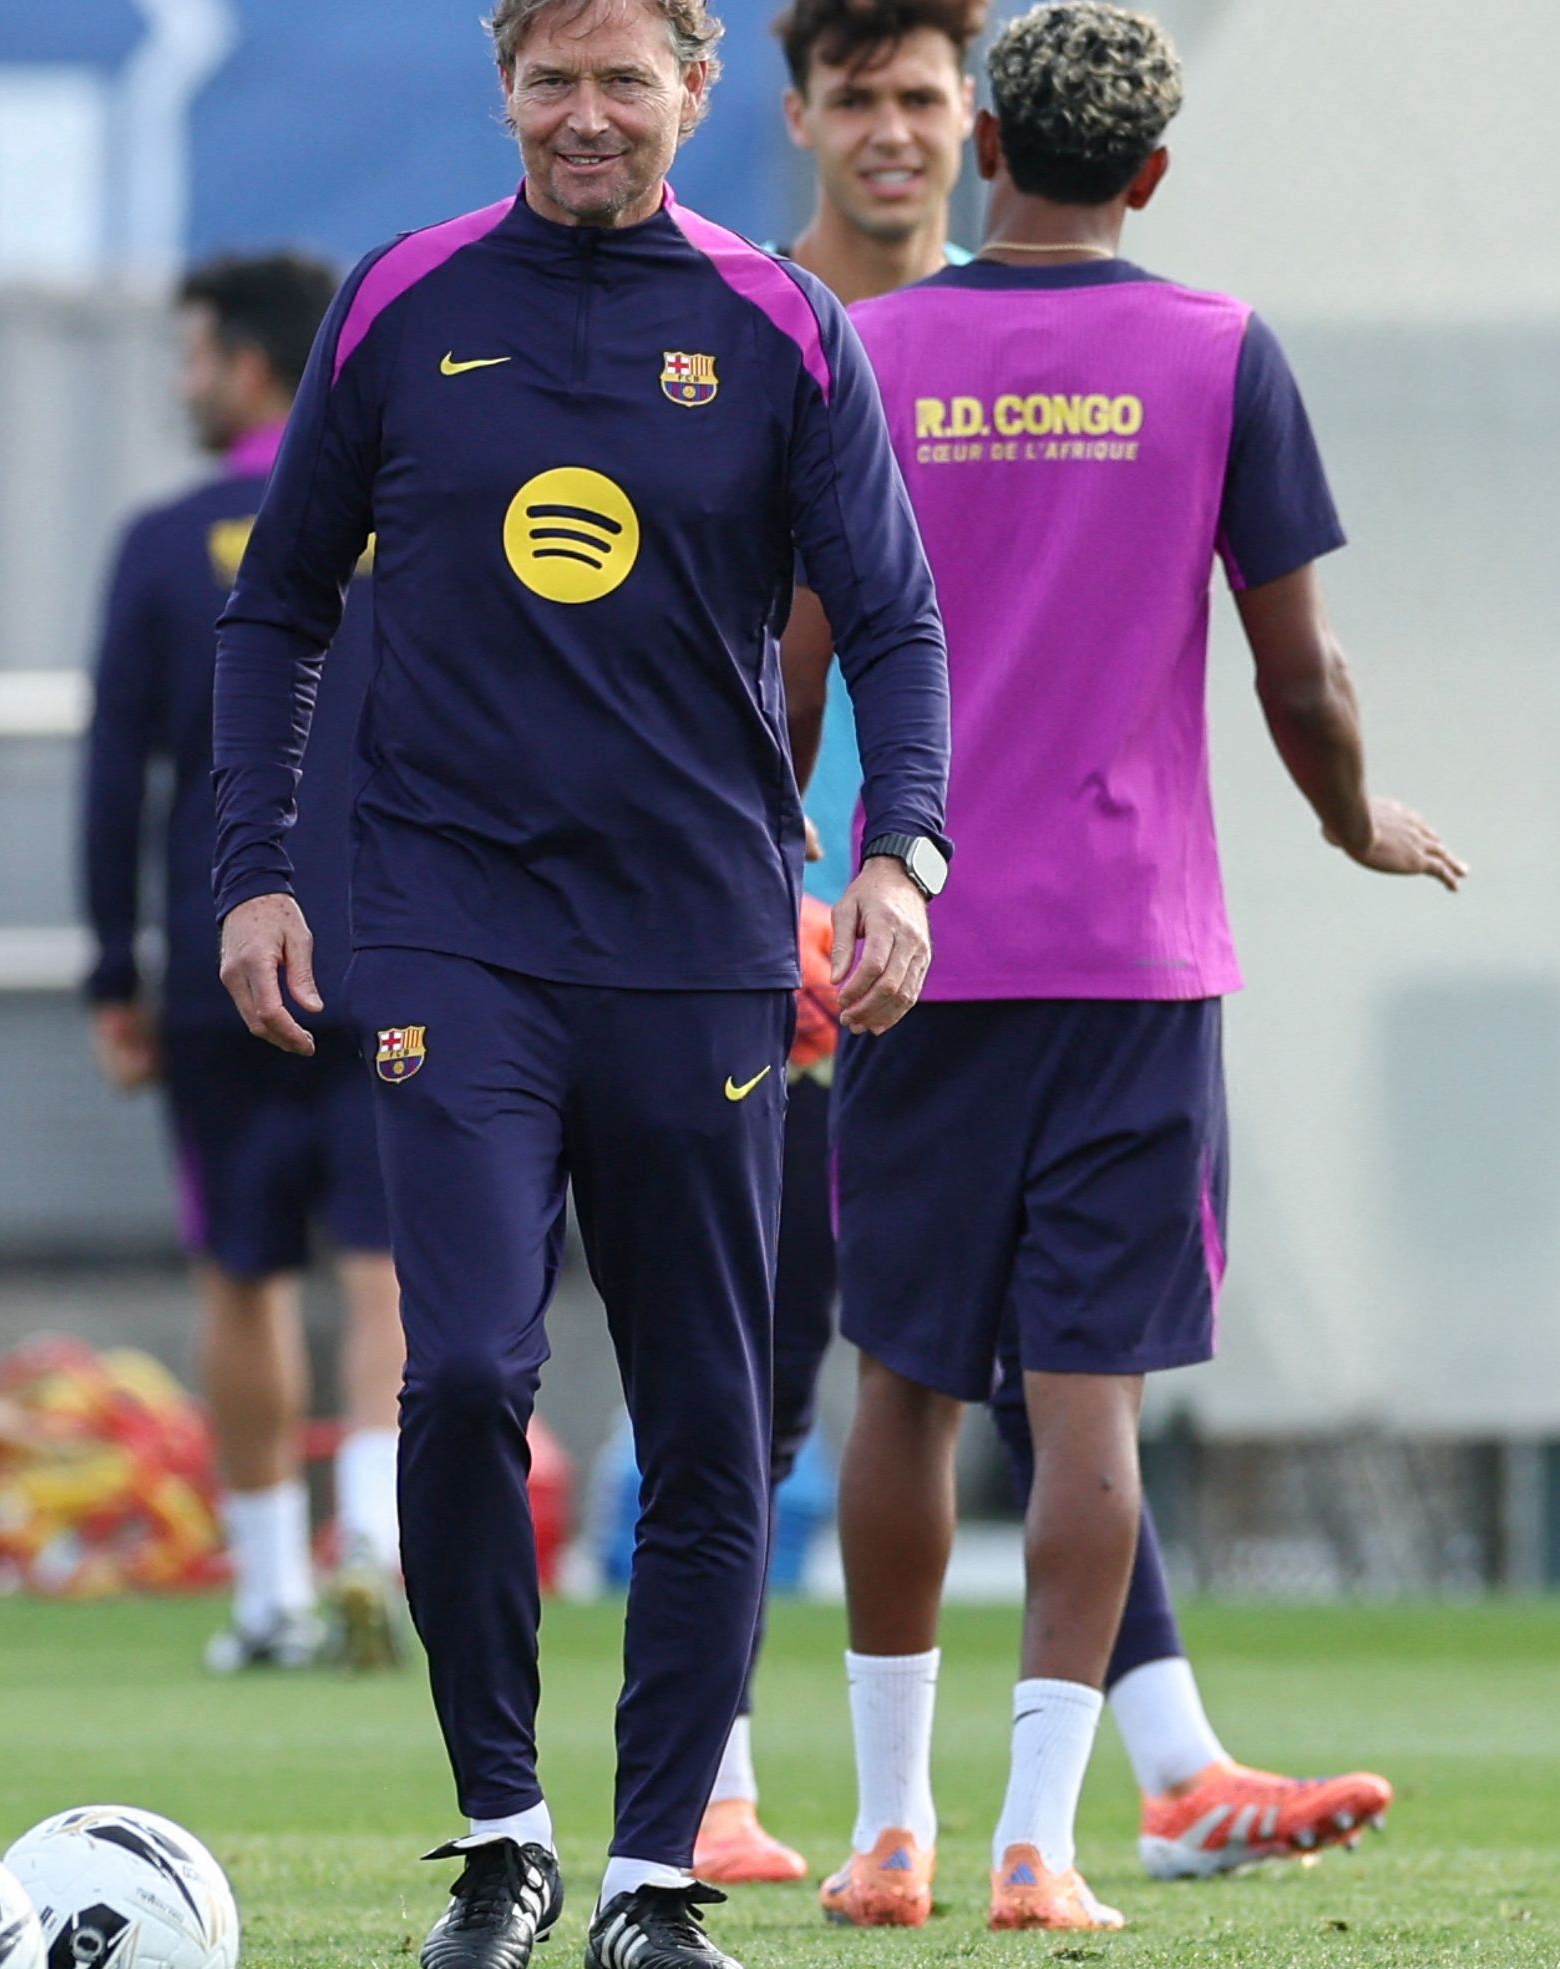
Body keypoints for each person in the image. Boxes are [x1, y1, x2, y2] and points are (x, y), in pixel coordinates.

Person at [210, 0, 957, 1961]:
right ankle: (501, 1832)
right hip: (455, 936)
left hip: (700, 949)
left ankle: (648, 1879)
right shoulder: (398, 301)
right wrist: (253, 876)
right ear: (506, 91)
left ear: (697, 97)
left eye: (625, 80)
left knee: (712, 1418)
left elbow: (891, 618)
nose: (586, 115)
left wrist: (901, 853)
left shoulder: (781, 328)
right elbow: (276, 607)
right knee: (460, 1373)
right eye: (552, 79)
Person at [694, 0, 1401, 1892]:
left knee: (901, 1381)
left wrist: (790, 859)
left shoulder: (865, 351)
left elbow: (789, 667)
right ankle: (1038, 1838)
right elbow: (1300, 667)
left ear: (986, 144)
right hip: (1140, 954)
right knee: (1088, 1406)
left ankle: (887, 1828)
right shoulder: (1220, 352)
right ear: (1154, 172)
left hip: (905, 945)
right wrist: (1353, 815)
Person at [81, 252, 410, 1675]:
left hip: (225, 959)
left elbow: (116, 777)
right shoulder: (408, 522)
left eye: (195, 352)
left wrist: (112, 969)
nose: (182, 378)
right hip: (403, 948)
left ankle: (271, 1594)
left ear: (252, 365)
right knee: (397, 1272)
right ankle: (386, 1572)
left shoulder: (165, 542)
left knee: (243, 1274)